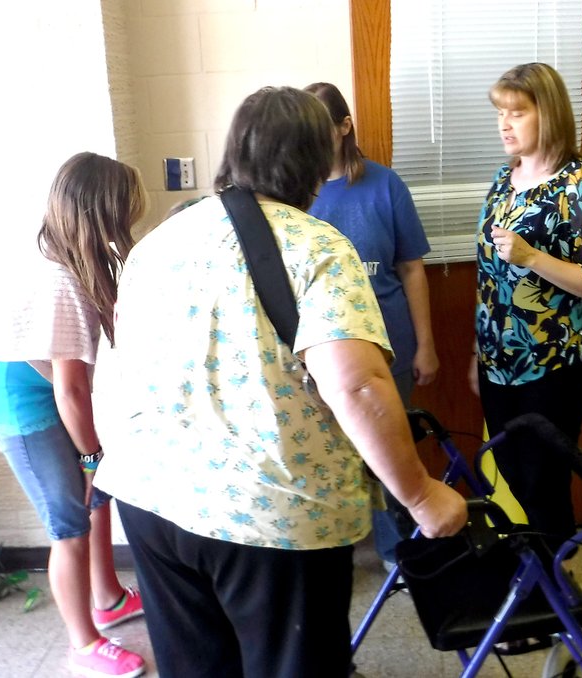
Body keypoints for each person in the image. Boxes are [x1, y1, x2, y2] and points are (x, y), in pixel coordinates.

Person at [91, 86, 467, 678]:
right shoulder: (315, 246)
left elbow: (117, 366)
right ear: (317, 163)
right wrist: (420, 495)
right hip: (270, 516)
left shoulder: (160, 241)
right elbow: (358, 384)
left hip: (150, 497)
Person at [0, 152, 148, 678]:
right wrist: (92, 454)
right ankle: (83, 644)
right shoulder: (60, 280)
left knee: (97, 498)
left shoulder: (70, 263)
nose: (129, 222)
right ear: (102, 214)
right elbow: (70, 389)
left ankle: (108, 599)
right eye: (125, 212)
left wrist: (96, 463)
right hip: (17, 401)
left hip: (40, 389)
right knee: (69, 521)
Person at [469, 62, 582, 548]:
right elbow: (490, 279)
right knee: (515, 472)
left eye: (517, 112)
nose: (505, 123)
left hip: (555, 362)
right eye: (500, 112)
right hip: (499, 359)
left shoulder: (579, 183)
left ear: (549, 115)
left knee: (543, 480)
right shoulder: (504, 177)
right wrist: (478, 354)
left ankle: (554, 587)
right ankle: (538, 572)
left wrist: (533, 257)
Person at [304, 82, 439, 570]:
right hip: (323, 353)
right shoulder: (298, 193)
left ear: (345, 127)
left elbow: (412, 269)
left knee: (390, 450)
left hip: (390, 345)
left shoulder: (385, 185)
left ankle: (397, 554)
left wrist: (425, 345)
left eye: (323, 128)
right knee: (331, 456)